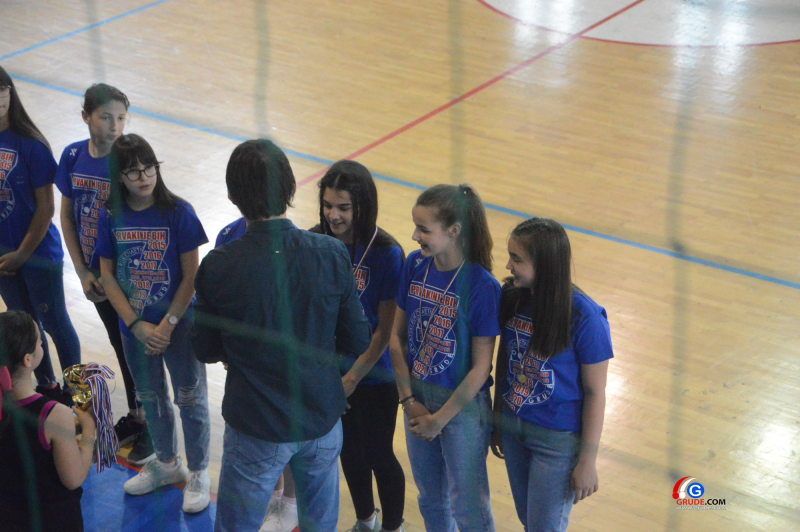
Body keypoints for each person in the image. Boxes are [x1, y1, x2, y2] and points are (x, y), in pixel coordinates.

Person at [192, 139, 371, 532]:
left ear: (232, 196)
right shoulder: (331, 253)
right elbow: (358, 339)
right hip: (321, 417)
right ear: (291, 189)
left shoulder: (219, 265)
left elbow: (203, 347)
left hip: (256, 424)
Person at [96, 134, 211, 513]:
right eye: (133, 172)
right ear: (119, 177)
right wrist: (134, 325)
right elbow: (107, 275)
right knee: (150, 396)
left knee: (189, 397)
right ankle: (166, 462)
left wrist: (167, 325)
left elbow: (191, 276)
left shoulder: (179, 212)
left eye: (149, 168)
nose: (144, 177)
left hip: (178, 327)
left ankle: (198, 471)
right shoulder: (110, 215)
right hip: (136, 329)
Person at [490, 217, 613, 532]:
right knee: (529, 520)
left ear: (545, 265)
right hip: (514, 429)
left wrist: (587, 461)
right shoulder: (514, 298)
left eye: (517, 259)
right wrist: (498, 417)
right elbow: (504, 362)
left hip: (556, 441)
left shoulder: (584, 317)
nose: (508, 265)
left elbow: (596, 393)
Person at [55, 83, 155, 465]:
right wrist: (82, 271)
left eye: (122, 118)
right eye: (106, 117)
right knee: (120, 344)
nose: (115, 126)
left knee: (138, 349)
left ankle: (153, 425)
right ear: (86, 117)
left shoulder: (129, 161)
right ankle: (138, 415)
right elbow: (67, 217)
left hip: (125, 277)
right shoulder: (73, 155)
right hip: (96, 277)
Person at [390, 184, 500, 532]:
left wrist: (439, 419)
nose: (414, 236)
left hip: (460, 408)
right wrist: (408, 401)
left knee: (467, 506)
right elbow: (396, 338)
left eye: (423, 229)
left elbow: (481, 367)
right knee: (430, 499)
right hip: (416, 398)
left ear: (453, 231)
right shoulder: (414, 265)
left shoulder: (482, 286)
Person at [311, 160, 406, 532]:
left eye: (343, 207)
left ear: (363, 206)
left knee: (379, 454)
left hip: (373, 376)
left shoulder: (387, 253)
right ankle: (366, 520)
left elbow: (384, 332)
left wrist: (351, 379)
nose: (333, 215)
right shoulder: (314, 241)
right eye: (327, 205)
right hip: (331, 373)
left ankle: (393, 526)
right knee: (348, 451)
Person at [0, 66, 80, 404]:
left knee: (54, 322)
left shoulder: (31, 144)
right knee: (25, 326)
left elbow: (46, 208)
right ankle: (47, 386)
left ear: (10, 92)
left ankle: (77, 393)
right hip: (4, 257)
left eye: (1, 90)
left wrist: (22, 253)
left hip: (37, 254)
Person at [214, 216, 299, 532]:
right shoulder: (228, 236)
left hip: (280, 361)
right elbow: (216, 301)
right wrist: (227, 349)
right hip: (244, 362)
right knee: (257, 438)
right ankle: (273, 494)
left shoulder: (295, 242)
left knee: (285, 434)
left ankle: (290, 502)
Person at [0, 310, 96, 532]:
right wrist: (89, 429)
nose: (42, 345)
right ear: (28, 359)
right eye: (39, 342)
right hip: (51, 521)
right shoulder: (54, 414)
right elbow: (73, 479)